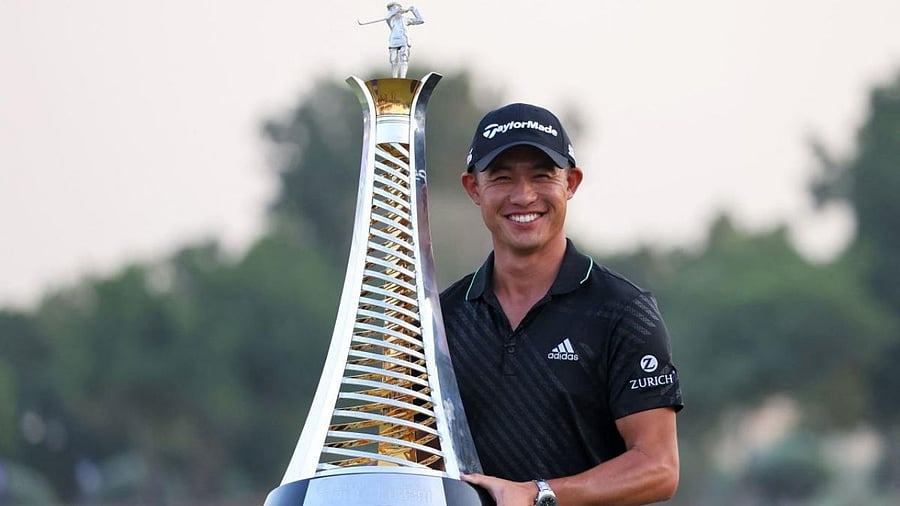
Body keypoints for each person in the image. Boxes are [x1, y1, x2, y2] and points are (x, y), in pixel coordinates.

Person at [439, 103, 684, 506]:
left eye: (542, 176)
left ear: (571, 182)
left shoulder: (623, 312)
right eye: (502, 177)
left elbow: (658, 467)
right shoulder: (441, 321)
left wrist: (538, 495)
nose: (524, 196)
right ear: (473, 188)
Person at [385, 3, 423, 78]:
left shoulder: (405, 19)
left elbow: (420, 20)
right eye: (393, 9)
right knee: (393, 60)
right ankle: (394, 77)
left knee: (404, 59)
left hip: (404, 41)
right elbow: (388, 16)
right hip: (393, 42)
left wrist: (414, 10)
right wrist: (399, 10)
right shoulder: (391, 20)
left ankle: (403, 77)